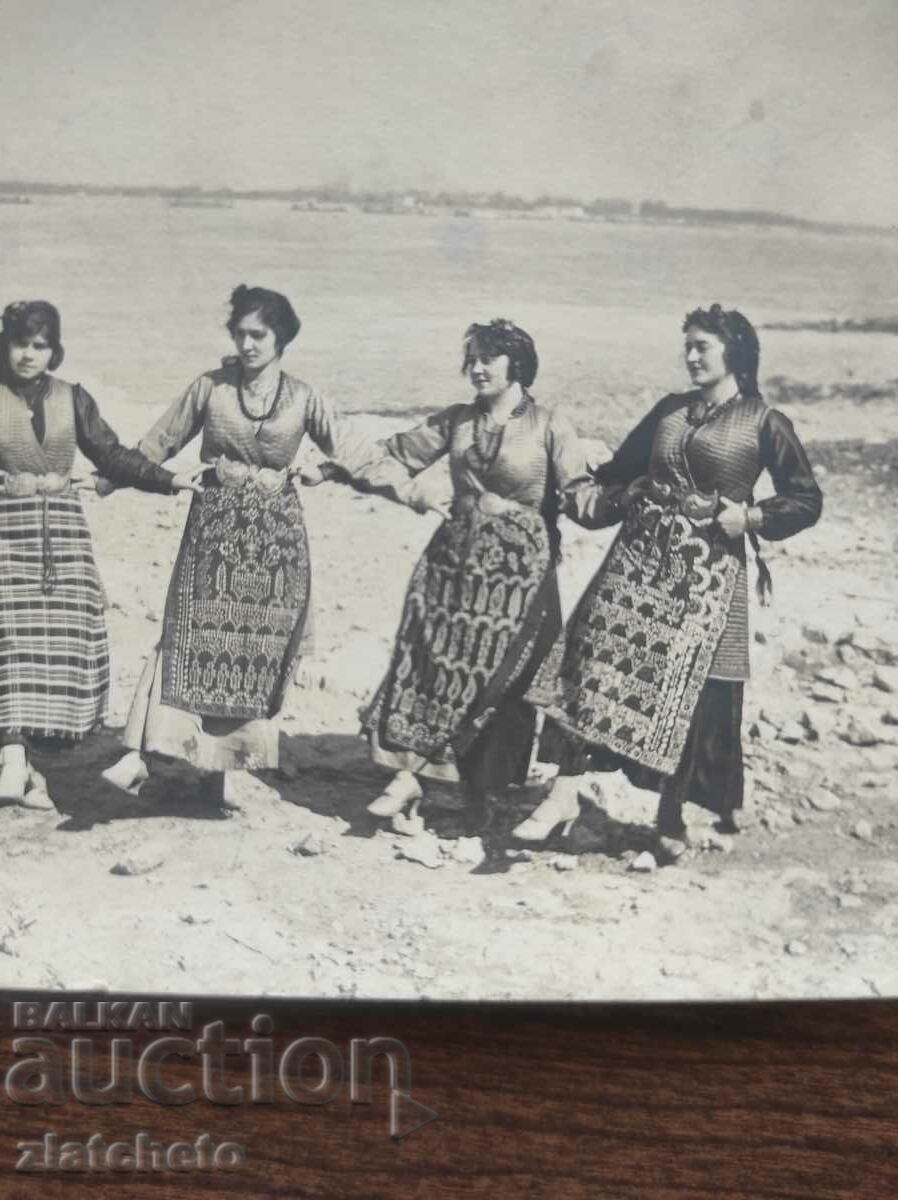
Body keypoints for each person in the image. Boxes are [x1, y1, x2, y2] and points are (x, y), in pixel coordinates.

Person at [519, 304, 823, 859]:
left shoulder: (764, 421)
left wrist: (751, 518)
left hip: (708, 575)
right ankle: (562, 794)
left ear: (734, 352)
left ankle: (670, 817)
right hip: (636, 559)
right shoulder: (669, 410)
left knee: (691, 691)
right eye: (687, 344)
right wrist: (578, 477)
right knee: (586, 658)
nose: (690, 355)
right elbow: (621, 474)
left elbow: (806, 500)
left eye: (702, 345)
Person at [322, 318, 610, 836]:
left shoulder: (550, 425)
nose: (476, 367)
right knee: (431, 666)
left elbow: (580, 494)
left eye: (488, 357)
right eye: (471, 357)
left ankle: (480, 797)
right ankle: (415, 778)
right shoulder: (457, 420)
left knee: (504, 681)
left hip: (519, 577)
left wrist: (626, 491)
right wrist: (336, 467)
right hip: (450, 568)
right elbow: (395, 454)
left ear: (516, 363)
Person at [103, 285, 382, 802]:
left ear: (282, 338)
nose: (248, 343)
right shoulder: (210, 387)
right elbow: (157, 442)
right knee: (188, 634)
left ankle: (223, 770)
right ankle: (144, 751)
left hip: (275, 540)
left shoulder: (302, 396)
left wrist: (326, 469)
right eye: (241, 333)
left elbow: (353, 449)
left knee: (252, 653)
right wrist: (106, 478)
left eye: (260, 334)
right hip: (213, 531)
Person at [0, 300, 200, 807]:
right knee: (8, 642)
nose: (28, 354)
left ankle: (27, 769)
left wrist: (170, 479)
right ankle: (12, 757)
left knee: (65, 644)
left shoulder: (74, 399)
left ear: (54, 350)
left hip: (63, 537)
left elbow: (110, 454)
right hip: (4, 531)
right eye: (20, 342)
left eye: (40, 345)